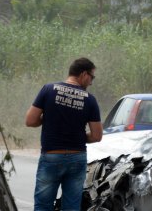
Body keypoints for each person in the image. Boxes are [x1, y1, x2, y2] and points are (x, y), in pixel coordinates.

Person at [25, 57, 103, 211]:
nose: (91, 82)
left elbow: (30, 121)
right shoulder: (90, 100)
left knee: (43, 206)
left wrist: (47, 118)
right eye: (91, 77)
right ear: (83, 74)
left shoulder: (48, 89)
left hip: (51, 156)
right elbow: (96, 136)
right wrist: (78, 137)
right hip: (77, 158)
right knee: (71, 207)